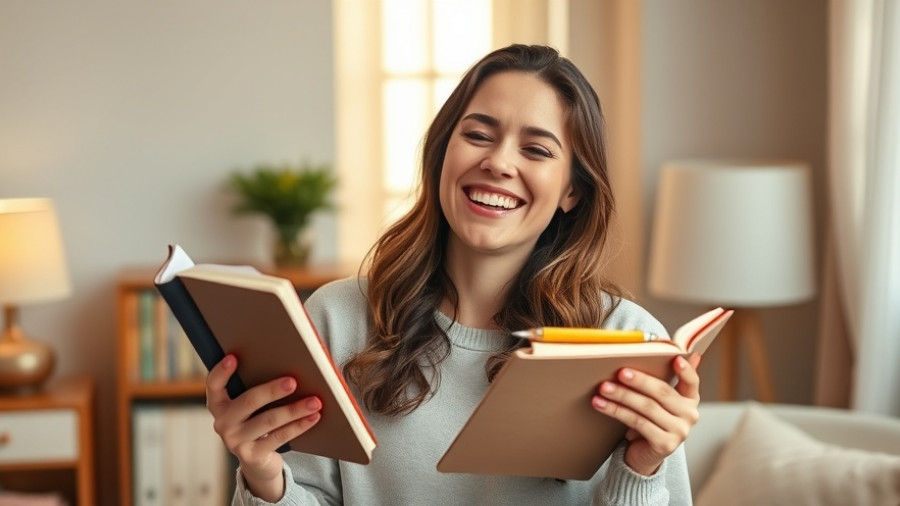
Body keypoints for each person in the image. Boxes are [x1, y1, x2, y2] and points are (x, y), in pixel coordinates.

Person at [206, 44, 701, 505]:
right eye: (478, 135)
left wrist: (641, 469)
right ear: (444, 152)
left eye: (537, 150)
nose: (498, 162)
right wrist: (263, 476)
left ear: (573, 190)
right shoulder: (336, 320)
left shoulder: (624, 342)